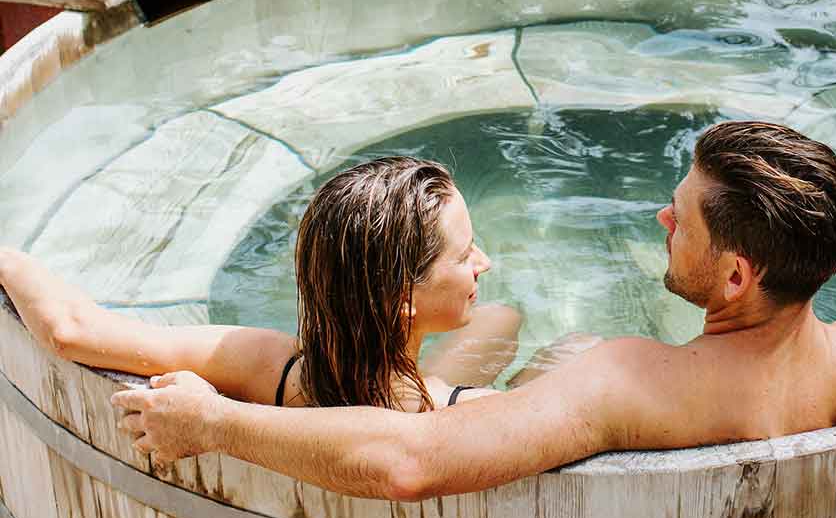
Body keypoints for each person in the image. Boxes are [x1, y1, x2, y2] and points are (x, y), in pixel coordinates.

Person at [109, 120, 836, 501]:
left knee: (532, 342)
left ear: (737, 280)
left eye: (680, 219)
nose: (659, 217)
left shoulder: (627, 383)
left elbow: (408, 464)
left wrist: (215, 425)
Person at [0, 157, 527, 413]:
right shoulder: (460, 412)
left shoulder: (267, 367)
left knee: (500, 316)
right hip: (428, 393)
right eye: (463, 256)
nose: (484, 262)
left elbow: (67, 330)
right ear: (402, 300)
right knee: (539, 333)